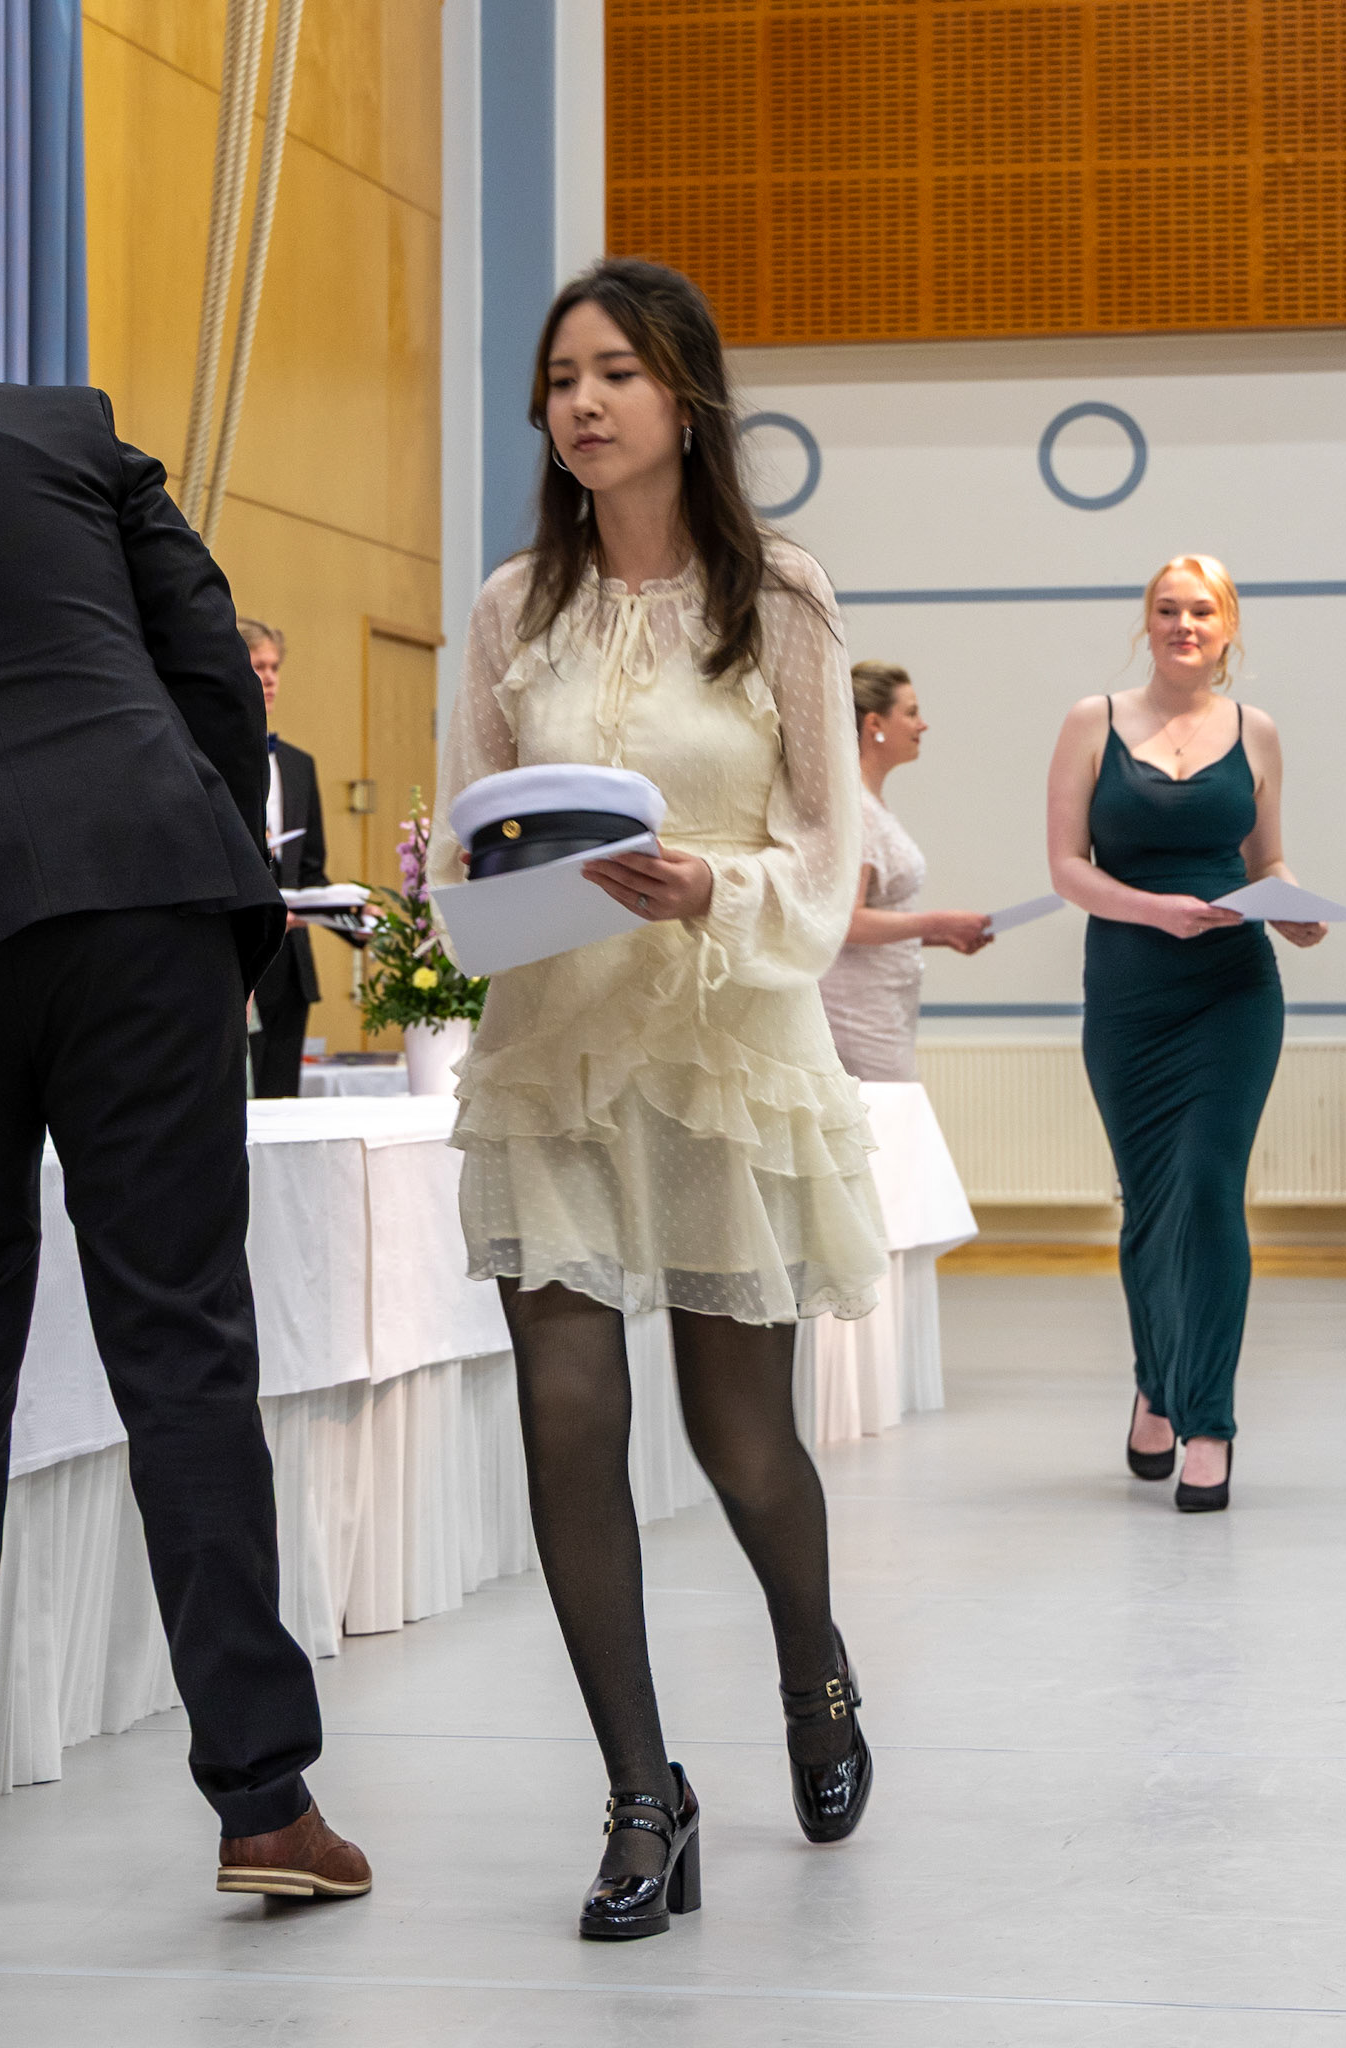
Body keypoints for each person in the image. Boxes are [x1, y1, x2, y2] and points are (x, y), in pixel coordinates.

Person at [429, 258, 885, 1940]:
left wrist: (716, 886)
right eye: (563, 378)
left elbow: (826, 847)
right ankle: (642, 1796)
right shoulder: (512, 610)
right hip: (551, 1054)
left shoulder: (783, 599)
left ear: (684, 396)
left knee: (741, 1440)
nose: (584, 402)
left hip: (721, 1053)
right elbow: (468, 835)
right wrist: (473, 888)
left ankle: (813, 1670)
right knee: (564, 1413)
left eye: (615, 370)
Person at [0, 383, 369, 1898]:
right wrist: (212, 859)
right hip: (138, 885)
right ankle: (265, 1803)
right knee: (183, 1345)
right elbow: (211, 662)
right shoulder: (63, 431)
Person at [1047, 555, 1325, 1512]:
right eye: (1165, 609)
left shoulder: (1257, 731)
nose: (1182, 624)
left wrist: (1290, 904)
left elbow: (1266, 857)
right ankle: (1154, 1385)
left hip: (1232, 990)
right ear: (1147, 623)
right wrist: (1151, 909)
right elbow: (1065, 867)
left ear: (1227, 625)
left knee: (1206, 1191)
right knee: (1149, 1203)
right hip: (1129, 995)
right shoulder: (1092, 722)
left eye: (1200, 611)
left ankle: (1206, 1421)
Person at [820, 659, 991, 1080]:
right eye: (912, 713)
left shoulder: (870, 804)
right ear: (875, 724)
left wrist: (938, 935)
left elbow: (879, 915)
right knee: (888, 1116)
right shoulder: (855, 808)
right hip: (857, 1010)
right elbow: (847, 921)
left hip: (884, 1002)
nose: (922, 725)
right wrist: (936, 921)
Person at [239, 619, 329, 1096]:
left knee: (285, 1101)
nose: (271, 678)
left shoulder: (297, 764)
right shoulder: (212, 755)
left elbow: (311, 868)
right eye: (259, 666)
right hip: (242, 956)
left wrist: (348, 915)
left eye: (275, 667)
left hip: (291, 966)